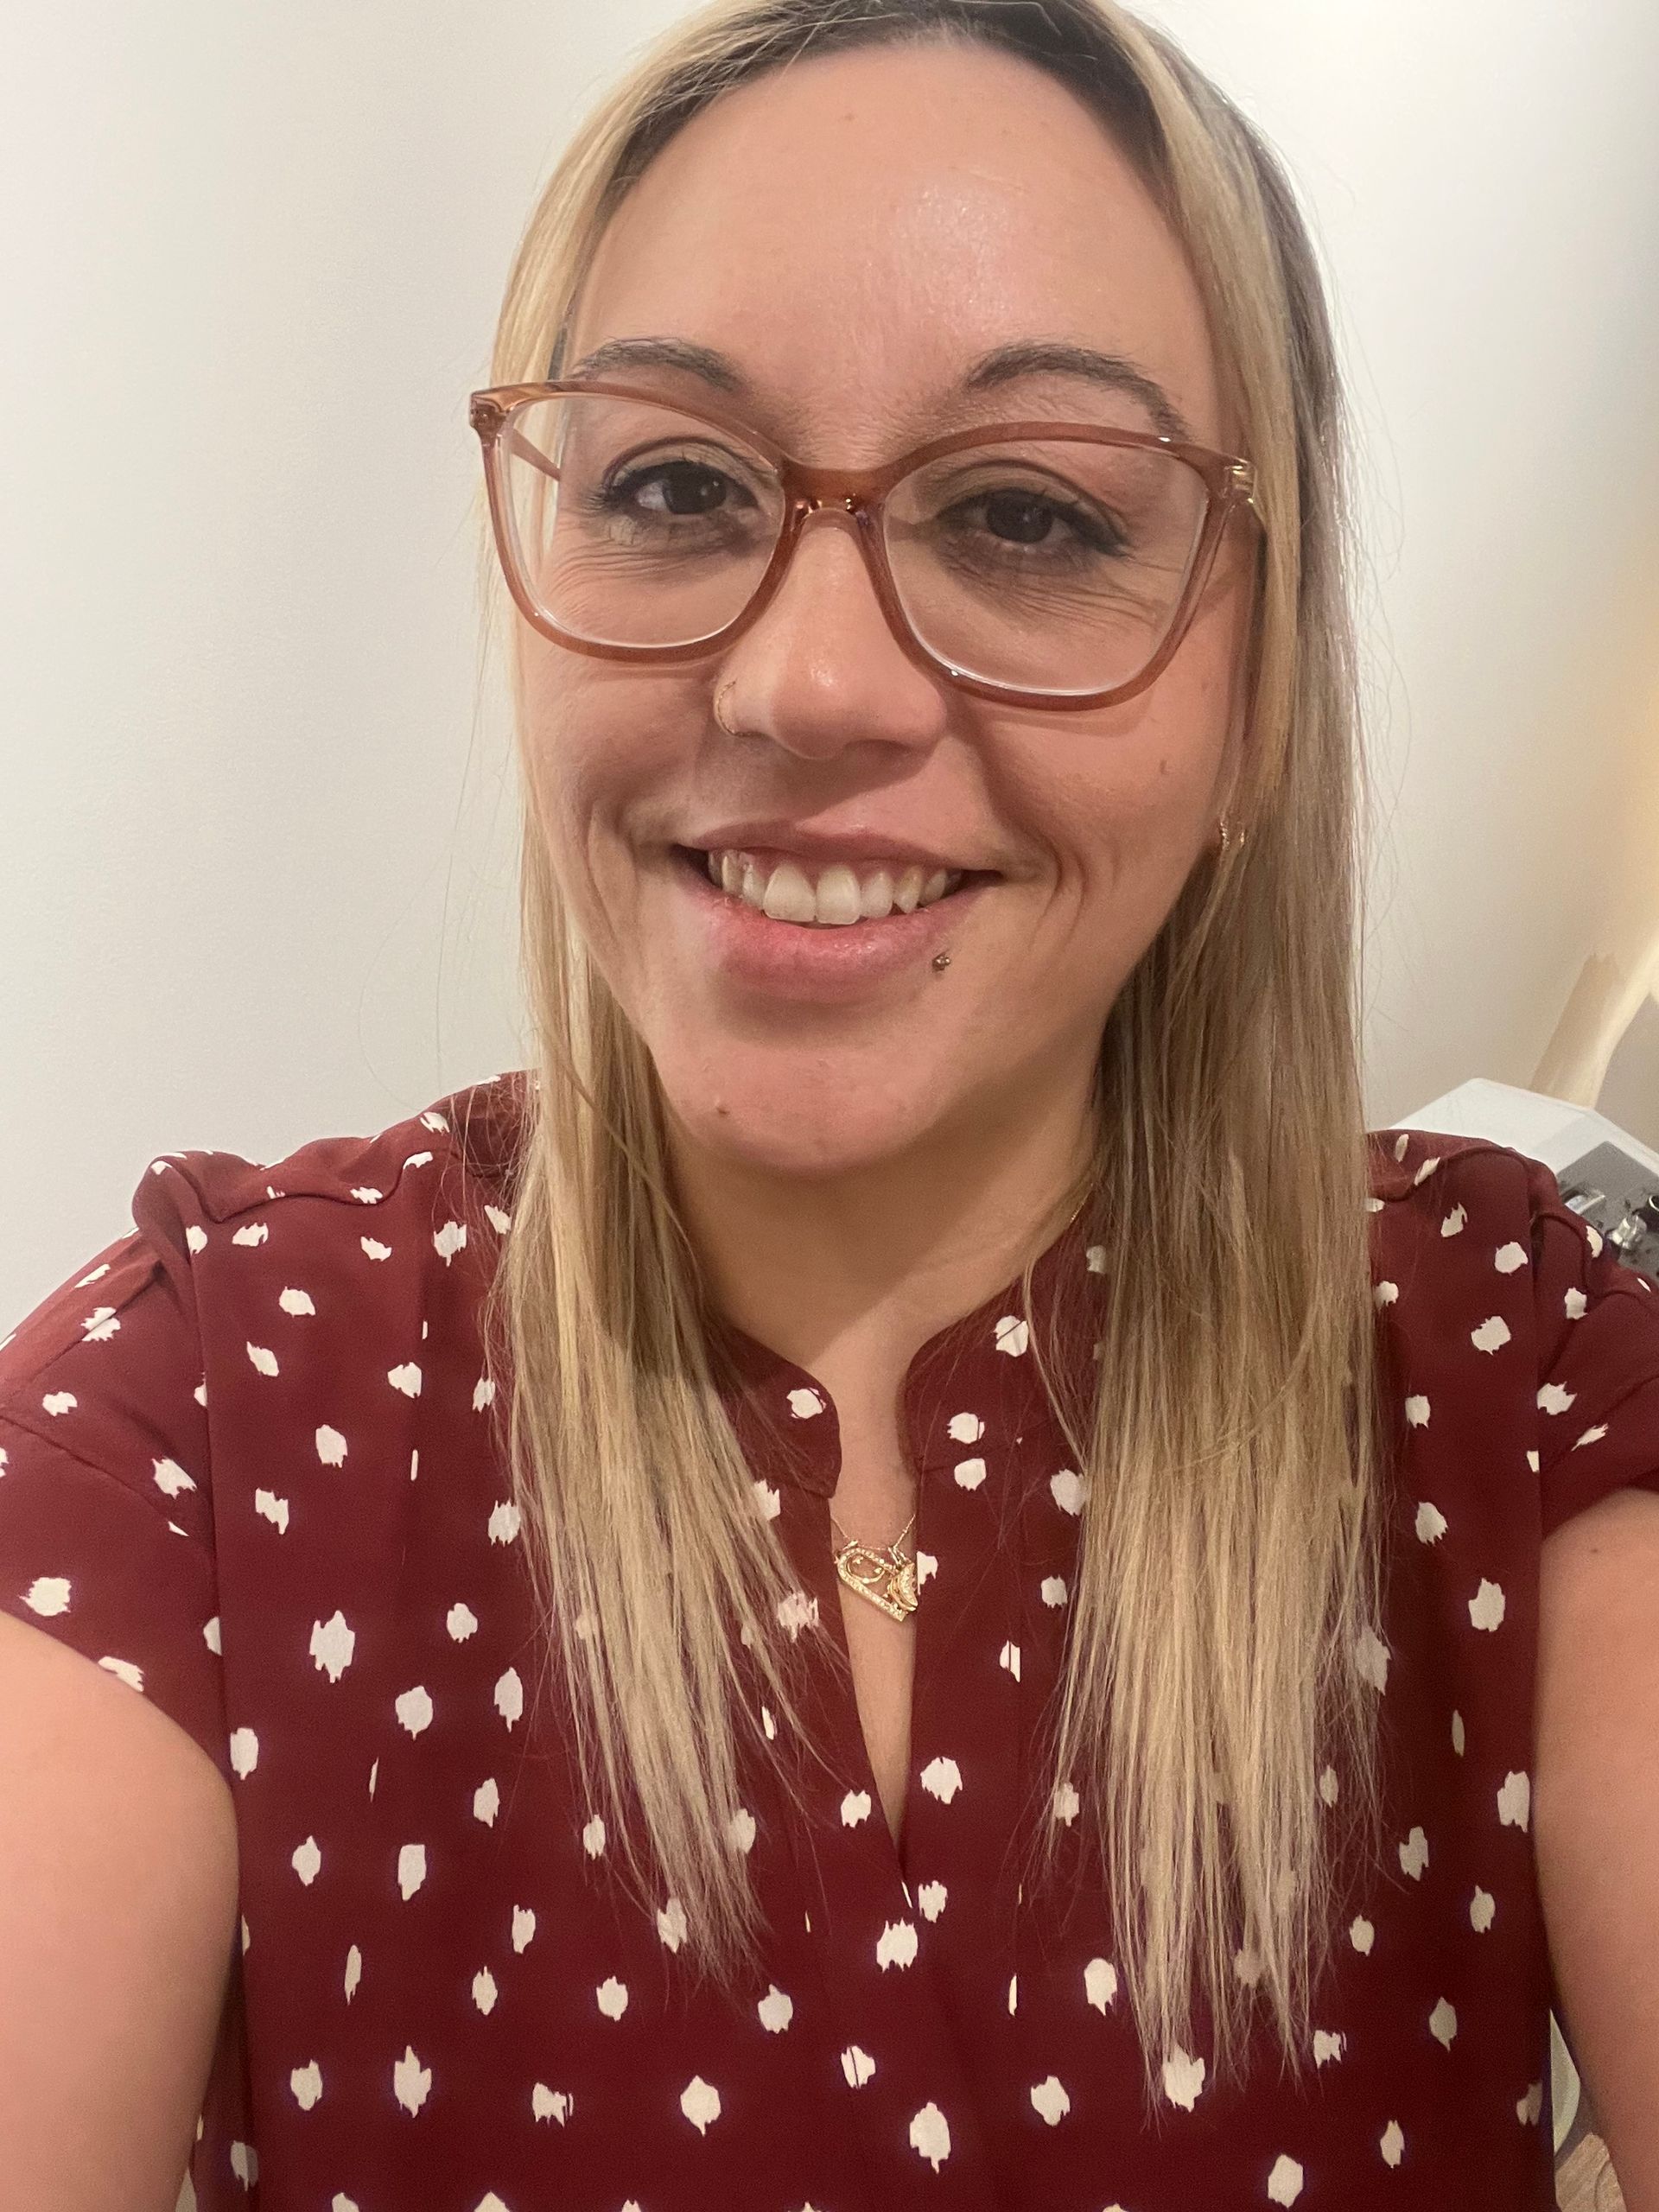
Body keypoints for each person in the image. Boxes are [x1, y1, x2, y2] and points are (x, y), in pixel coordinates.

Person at [3, 0, 1656, 2206]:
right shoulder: (209, 1399)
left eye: (1031, 516)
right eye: (676, 485)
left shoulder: (1508, 1369)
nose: (806, 682)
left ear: (1260, 701)